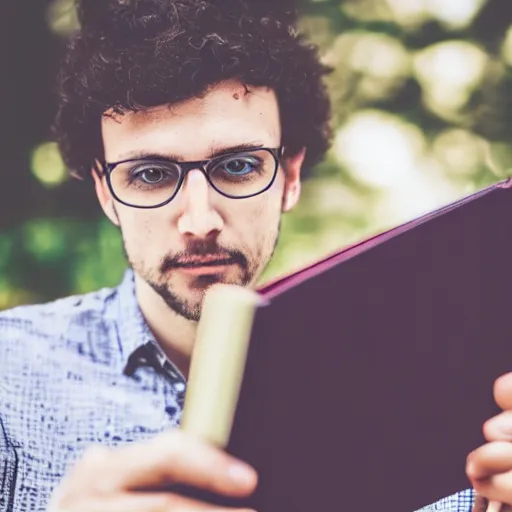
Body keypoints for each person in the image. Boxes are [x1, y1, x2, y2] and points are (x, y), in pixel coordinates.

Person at [0, 0, 510, 510]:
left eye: (238, 166)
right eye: (151, 175)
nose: (200, 221)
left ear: (289, 178)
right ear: (106, 192)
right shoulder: (9, 380)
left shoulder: (448, 404)